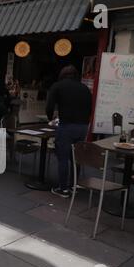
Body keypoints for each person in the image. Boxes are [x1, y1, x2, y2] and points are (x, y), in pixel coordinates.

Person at [46, 65, 92, 198]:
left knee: (63, 157)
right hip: (83, 127)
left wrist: (51, 119)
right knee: (76, 157)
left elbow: (49, 106)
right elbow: (90, 108)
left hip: (66, 126)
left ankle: (63, 188)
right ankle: (74, 185)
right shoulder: (85, 88)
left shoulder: (58, 86)